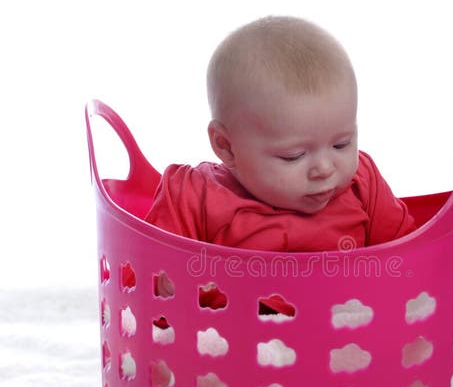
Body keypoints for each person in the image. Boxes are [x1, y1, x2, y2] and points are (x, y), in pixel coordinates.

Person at [145, 16, 416, 251]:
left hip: (348, 309)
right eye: (293, 156)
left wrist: (446, 273)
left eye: (341, 145)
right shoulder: (195, 197)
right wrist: (165, 279)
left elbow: (412, 253)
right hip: (234, 311)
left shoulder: (363, 185)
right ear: (226, 146)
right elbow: (144, 268)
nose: (324, 168)